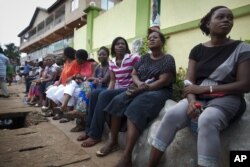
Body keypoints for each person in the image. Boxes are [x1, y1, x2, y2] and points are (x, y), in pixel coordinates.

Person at [147, 6, 250, 167]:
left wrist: (205, 89)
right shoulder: (198, 50)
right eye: (221, 17)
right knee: (172, 115)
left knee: (207, 119)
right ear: (208, 23)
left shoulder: (242, 48)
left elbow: (245, 84)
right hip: (198, 97)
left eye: (230, 18)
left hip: (228, 97)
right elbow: (189, 82)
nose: (226, 20)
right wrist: (191, 102)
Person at [96, 31, 176, 167]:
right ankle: (113, 140)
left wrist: (143, 88)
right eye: (149, 38)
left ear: (162, 42)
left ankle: (127, 156)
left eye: (155, 38)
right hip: (141, 86)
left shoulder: (167, 58)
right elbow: (134, 74)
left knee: (136, 107)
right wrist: (139, 84)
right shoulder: (144, 58)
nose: (151, 40)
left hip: (158, 91)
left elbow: (163, 81)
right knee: (118, 100)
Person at [76, 37, 140, 147]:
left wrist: (106, 94)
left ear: (126, 46)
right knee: (94, 94)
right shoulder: (112, 62)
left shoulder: (133, 58)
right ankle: (88, 130)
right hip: (116, 88)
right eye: (117, 44)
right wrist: (108, 92)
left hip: (129, 88)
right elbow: (113, 80)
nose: (120, 45)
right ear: (113, 48)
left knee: (103, 94)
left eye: (123, 44)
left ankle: (95, 135)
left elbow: (139, 73)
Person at [45, 47, 80, 116]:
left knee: (60, 92)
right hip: (64, 83)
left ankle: (62, 111)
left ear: (67, 55)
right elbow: (63, 73)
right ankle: (54, 111)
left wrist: (71, 77)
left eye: (63, 54)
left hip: (70, 84)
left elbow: (77, 74)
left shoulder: (75, 62)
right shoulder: (66, 62)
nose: (62, 55)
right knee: (51, 90)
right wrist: (58, 81)